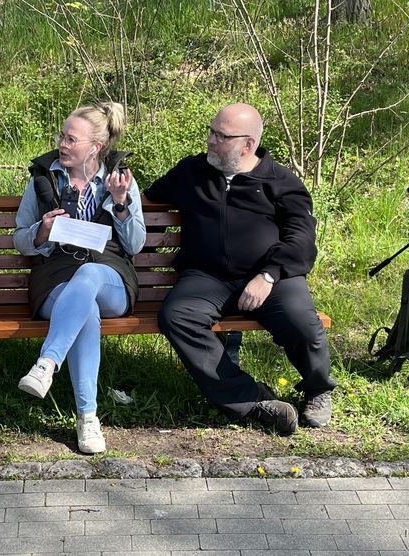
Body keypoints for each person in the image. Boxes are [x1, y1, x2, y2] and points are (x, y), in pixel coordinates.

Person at [144, 102, 336, 434]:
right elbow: (146, 196)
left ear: (247, 144)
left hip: (270, 277)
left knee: (301, 322)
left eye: (221, 136)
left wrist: (268, 275)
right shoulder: (191, 172)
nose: (211, 141)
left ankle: (318, 389)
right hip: (207, 277)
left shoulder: (280, 181)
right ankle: (252, 400)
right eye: (211, 131)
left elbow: (302, 240)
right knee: (176, 316)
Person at [13, 101, 146, 454]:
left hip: (111, 276)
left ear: (95, 148)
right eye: (62, 137)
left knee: (88, 275)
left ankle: (47, 363)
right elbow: (19, 238)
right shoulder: (43, 178)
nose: (62, 144)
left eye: (71, 139)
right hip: (55, 276)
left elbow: (134, 243)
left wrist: (120, 204)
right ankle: (88, 418)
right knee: (84, 307)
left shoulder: (120, 179)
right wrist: (41, 232)